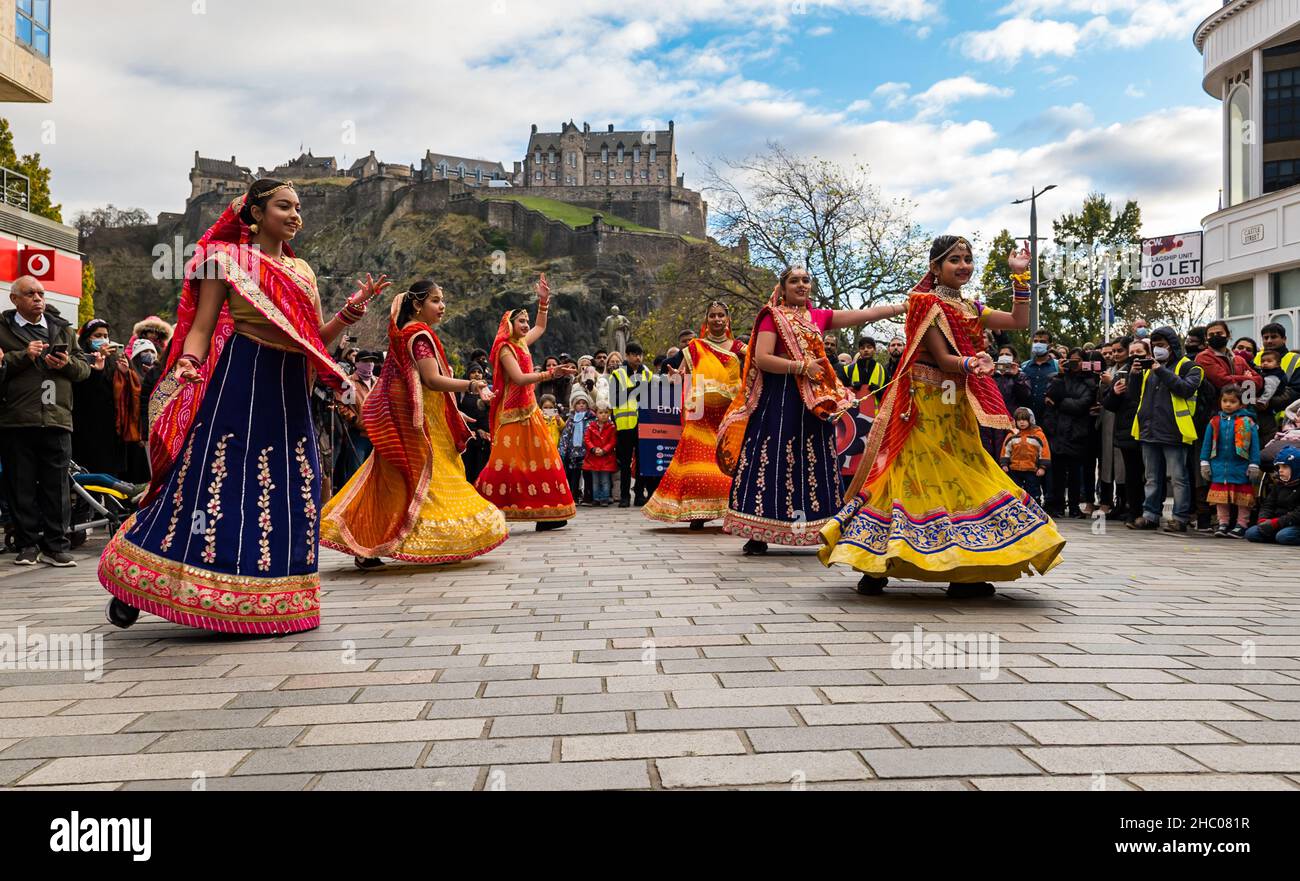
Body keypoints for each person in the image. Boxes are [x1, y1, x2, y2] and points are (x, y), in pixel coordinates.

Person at [98, 179, 388, 632]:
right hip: (243, 374)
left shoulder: (304, 272)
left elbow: (312, 342)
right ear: (255, 213)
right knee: (212, 481)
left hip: (290, 386)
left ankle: (273, 596)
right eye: (284, 207)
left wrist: (349, 312)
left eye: (298, 208)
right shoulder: (224, 262)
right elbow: (200, 326)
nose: (295, 216)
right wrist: (190, 362)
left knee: (296, 483)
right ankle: (146, 581)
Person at [819, 236, 1066, 598]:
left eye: (968, 259)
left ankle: (961, 570)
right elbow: (944, 357)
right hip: (925, 406)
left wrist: (1020, 278)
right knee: (917, 478)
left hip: (958, 407)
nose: (963, 265)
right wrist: (972, 361)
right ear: (935, 267)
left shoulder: (971, 306)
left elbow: (1018, 320)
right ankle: (875, 563)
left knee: (964, 475)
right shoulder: (926, 304)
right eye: (954, 260)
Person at [717, 266, 905, 555]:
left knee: (814, 460)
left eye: (806, 280)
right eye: (795, 281)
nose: (802, 285)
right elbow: (762, 358)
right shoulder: (772, 316)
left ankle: (818, 528)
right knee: (775, 459)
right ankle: (758, 532)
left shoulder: (816, 317)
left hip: (814, 403)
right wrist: (801, 367)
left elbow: (861, 314)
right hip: (780, 400)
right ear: (782, 287)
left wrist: (901, 307)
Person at [321, 281, 508, 569]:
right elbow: (431, 380)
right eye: (435, 300)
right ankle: (429, 541)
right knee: (426, 481)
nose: (442, 306)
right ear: (417, 304)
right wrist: (472, 384)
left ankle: (368, 544)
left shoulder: (405, 333)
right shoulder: (418, 336)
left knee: (390, 481)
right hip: (416, 427)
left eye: (442, 300)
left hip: (408, 420)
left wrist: (455, 415)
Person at [0, 276, 93, 567]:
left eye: (41, 293)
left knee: (57, 487)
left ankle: (56, 545)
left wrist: (66, 364)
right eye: (30, 294)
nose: (38, 298)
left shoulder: (62, 329)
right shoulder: (3, 329)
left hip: (56, 418)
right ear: (15, 299)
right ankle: (28, 545)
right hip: (17, 419)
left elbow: (84, 369)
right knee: (21, 485)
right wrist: (22, 357)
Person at [474, 274, 578, 530]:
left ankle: (545, 513)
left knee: (545, 459)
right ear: (509, 324)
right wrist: (549, 374)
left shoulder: (521, 343)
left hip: (529, 411)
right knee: (503, 466)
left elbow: (541, 328)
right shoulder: (506, 349)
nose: (525, 324)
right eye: (521, 321)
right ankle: (483, 511)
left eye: (526, 320)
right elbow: (519, 379)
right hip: (512, 415)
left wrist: (543, 303)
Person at [644, 301, 746, 529]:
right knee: (695, 462)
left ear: (727, 320)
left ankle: (731, 509)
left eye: (721, 315)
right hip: (701, 414)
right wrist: (674, 377)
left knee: (729, 461)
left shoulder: (739, 347)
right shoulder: (694, 347)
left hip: (728, 415)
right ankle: (696, 512)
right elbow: (681, 376)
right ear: (706, 320)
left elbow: (753, 369)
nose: (717, 319)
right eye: (713, 316)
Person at [1113, 325, 1205, 534]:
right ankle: (1150, 515)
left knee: (1178, 477)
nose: (1157, 350)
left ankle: (1180, 518)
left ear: (1172, 346)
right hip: (1149, 431)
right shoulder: (1149, 367)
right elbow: (1135, 396)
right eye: (1154, 346)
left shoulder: (1190, 366)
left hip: (1175, 431)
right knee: (1152, 478)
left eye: (1161, 346)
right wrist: (1135, 375)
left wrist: (1160, 370)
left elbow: (1185, 388)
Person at [1042, 347, 1100, 519]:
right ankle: (1057, 505)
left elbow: (1082, 404)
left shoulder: (1090, 381)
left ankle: (1074, 506)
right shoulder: (1058, 379)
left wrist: (1059, 402)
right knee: (1058, 472)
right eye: (1071, 360)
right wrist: (1060, 375)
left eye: (1078, 360)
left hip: (1078, 431)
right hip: (1058, 430)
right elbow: (1049, 398)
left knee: (1075, 473)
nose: (1074, 363)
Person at [1200, 383, 1260, 539]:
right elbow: (1207, 443)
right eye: (1225, 401)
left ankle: (1241, 524)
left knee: (1243, 499)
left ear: (1240, 404)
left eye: (1232, 402)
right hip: (1219, 465)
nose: (1227, 404)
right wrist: (1204, 462)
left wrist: (1254, 464)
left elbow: (1254, 445)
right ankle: (1223, 523)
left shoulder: (1247, 422)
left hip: (1240, 466)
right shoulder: (1214, 422)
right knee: (1221, 499)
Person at [71, 318, 122, 476]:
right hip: (85, 423)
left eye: (105, 335)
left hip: (109, 425)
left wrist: (125, 373)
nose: (103, 339)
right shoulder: (80, 358)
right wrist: (96, 369)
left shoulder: (113, 360)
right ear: (87, 337)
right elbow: (82, 389)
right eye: (97, 335)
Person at [610, 342, 654, 507]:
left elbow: (653, 397)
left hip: (644, 424)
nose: (638, 358)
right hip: (625, 425)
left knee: (642, 461)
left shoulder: (648, 373)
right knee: (625, 462)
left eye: (640, 354)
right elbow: (614, 399)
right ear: (627, 355)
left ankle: (640, 494)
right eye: (634, 354)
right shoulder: (617, 374)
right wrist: (633, 390)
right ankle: (624, 496)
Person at [1245, 446, 1300, 545]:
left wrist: (1276, 523)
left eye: (1285, 467)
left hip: (1294, 524)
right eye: (1279, 467)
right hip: (1277, 523)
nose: (1280, 471)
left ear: (1296, 467)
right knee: (1251, 533)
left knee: (1284, 536)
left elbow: (1297, 514)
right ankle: (1276, 536)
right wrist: (1263, 519)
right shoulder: (1278, 485)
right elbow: (1268, 505)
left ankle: (1278, 536)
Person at [1000, 407, 1050, 506]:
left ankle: (1035, 509)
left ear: (1030, 420)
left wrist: (1042, 467)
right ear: (1015, 421)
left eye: (1024, 420)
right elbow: (1005, 450)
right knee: (1015, 490)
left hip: (1032, 469)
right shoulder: (1012, 435)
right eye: (1019, 420)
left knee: (1033, 491)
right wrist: (1004, 464)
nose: (1022, 422)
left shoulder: (1038, 435)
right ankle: (1017, 508)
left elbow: (1044, 452)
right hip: (1014, 469)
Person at [559, 390, 593, 504]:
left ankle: (588, 496)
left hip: (587, 452)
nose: (581, 405)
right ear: (574, 405)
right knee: (574, 475)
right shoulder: (571, 419)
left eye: (584, 403)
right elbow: (566, 435)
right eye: (579, 403)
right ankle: (573, 496)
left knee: (588, 474)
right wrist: (562, 450)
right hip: (573, 452)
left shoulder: (591, 418)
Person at [1021, 328, 1059, 426]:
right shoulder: (1024, 366)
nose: (1038, 344)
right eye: (1035, 341)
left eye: (1042, 342)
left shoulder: (1057, 366)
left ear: (1049, 345)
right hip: (1027, 419)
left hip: (1050, 419)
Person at [584, 404, 617, 505]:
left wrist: (604, 450)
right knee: (595, 480)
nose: (603, 415)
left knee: (605, 480)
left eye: (606, 413)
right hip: (593, 458)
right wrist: (593, 449)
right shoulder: (591, 426)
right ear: (596, 414)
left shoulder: (611, 427)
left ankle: (604, 498)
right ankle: (596, 498)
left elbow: (612, 441)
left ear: (609, 414)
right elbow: (587, 439)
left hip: (606, 458)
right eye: (601, 413)